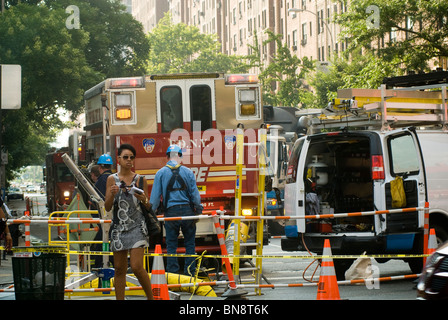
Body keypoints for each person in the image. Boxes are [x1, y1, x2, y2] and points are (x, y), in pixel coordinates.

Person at [104, 144, 153, 300]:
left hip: (138, 226)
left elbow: (149, 205)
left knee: (137, 266)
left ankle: (151, 298)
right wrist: (112, 194)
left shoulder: (140, 179)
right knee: (119, 269)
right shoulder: (112, 179)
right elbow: (107, 206)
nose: (129, 160)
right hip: (119, 227)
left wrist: (143, 198)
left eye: (132, 157)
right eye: (125, 157)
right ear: (118, 159)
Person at [150, 145, 203, 276]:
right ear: (180, 157)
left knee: (171, 245)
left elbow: (155, 198)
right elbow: (195, 196)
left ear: (167, 157)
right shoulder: (188, 172)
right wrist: (198, 210)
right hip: (187, 212)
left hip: (171, 213)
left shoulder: (160, 173)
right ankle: (190, 273)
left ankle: (173, 274)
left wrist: (152, 213)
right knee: (190, 243)